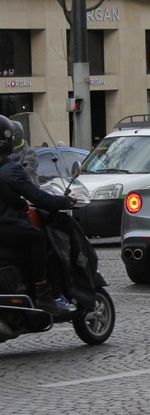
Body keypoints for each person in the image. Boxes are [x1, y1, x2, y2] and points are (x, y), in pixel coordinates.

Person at [0, 115, 77, 314]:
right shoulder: (9, 170)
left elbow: (13, 196)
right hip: (4, 227)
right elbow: (38, 197)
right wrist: (66, 201)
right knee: (38, 239)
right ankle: (43, 292)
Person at [8, 120, 39, 186]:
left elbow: (29, 169)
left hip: (29, 188)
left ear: (18, 136)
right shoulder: (7, 151)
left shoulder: (29, 152)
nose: (9, 139)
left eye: (11, 137)